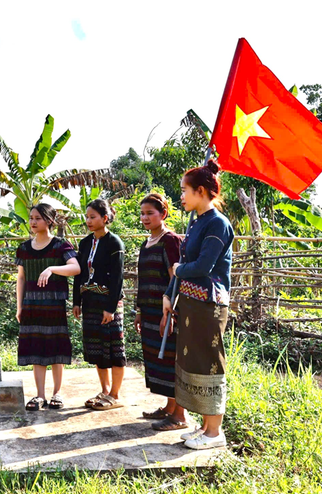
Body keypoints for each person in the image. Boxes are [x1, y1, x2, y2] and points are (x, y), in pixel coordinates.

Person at [162, 159, 234, 450]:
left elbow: (203, 266)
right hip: (191, 302)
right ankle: (204, 427)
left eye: (184, 190)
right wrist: (170, 294)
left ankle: (214, 433)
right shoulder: (198, 221)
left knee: (208, 362)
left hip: (209, 303)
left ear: (201, 191)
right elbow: (184, 264)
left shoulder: (218, 223)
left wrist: (178, 270)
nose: (181, 196)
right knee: (193, 361)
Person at [16, 203, 80, 411]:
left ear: (50, 221)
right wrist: (19, 307)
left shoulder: (61, 245)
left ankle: (57, 393)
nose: (33, 222)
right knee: (36, 350)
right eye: (31, 218)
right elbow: (21, 279)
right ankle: (40, 395)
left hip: (53, 304)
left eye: (38, 218)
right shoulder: (24, 249)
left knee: (55, 350)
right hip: (32, 305)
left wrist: (52, 268)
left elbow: (76, 268)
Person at [133, 193, 187, 430]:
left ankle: (180, 416)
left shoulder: (170, 241)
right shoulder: (146, 244)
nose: (145, 218)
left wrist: (171, 312)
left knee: (171, 360)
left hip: (166, 312)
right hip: (149, 311)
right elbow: (142, 280)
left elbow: (176, 278)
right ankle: (169, 407)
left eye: (150, 213)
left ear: (163, 213)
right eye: (142, 213)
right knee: (158, 360)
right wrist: (139, 311)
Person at [72, 198, 125, 411]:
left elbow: (117, 278)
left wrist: (111, 308)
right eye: (87, 217)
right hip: (90, 303)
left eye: (92, 217)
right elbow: (78, 274)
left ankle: (115, 394)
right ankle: (104, 390)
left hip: (108, 304)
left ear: (104, 218)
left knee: (114, 348)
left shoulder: (115, 244)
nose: (88, 221)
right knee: (97, 348)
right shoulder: (85, 243)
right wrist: (76, 301)